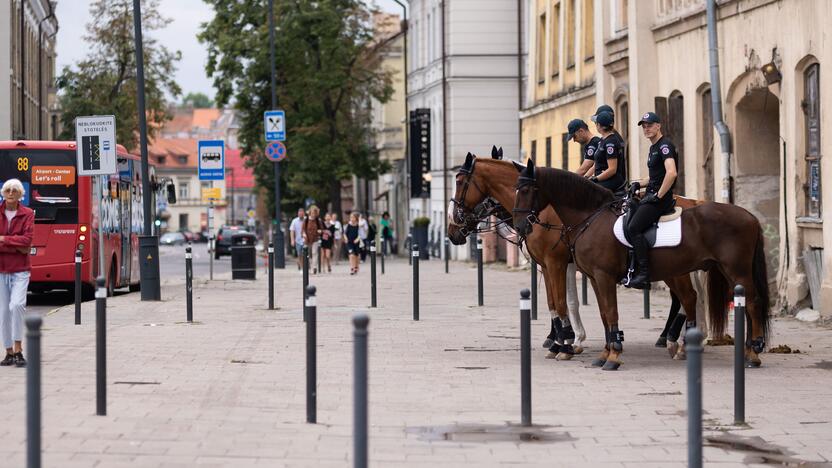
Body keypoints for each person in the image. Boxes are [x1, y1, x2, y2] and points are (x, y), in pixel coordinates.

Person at [624, 112, 678, 289]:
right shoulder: (653, 148)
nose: (646, 129)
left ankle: (644, 274)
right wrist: (638, 183)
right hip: (651, 194)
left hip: (660, 199)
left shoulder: (664, 146)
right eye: (644, 126)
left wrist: (658, 196)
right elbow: (655, 176)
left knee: (633, 227)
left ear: (658, 126)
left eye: (650, 125)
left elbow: (671, 173)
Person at [0, 179, 34, 368]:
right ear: (3, 193)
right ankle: (9, 352)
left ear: (21, 194)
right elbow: (21, 244)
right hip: (1, 269)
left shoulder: (27, 214)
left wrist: (3, 239)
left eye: (14, 190)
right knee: (4, 311)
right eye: (7, 190)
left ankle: (19, 348)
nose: (11, 193)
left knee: (17, 305)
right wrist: (16, 244)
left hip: (21, 269)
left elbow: (27, 241)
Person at [588, 110, 627, 192]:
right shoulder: (603, 140)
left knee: (588, 191)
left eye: (596, 123)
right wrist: (585, 177)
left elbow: (612, 169)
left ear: (599, 125)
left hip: (611, 180)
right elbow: (596, 164)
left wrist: (595, 179)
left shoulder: (610, 142)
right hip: (603, 179)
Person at [302, 206, 325, 275]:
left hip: (315, 239)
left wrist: (320, 231)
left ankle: (314, 267)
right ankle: (308, 266)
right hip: (307, 239)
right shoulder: (306, 220)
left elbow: (322, 229)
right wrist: (304, 234)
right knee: (307, 254)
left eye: (315, 213)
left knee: (314, 253)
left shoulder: (318, 220)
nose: (313, 214)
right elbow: (303, 229)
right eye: (312, 213)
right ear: (310, 213)